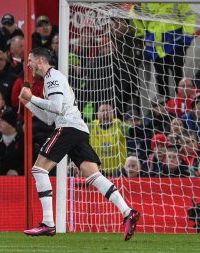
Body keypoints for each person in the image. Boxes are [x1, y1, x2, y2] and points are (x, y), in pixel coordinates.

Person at [19, 47, 139, 240]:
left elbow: (57, 108)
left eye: (31, 60)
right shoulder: (50, 81)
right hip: (77, 128)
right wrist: (29, 103)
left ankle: (48, 223)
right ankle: (127, 212)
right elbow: (50, 118)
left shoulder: (52, 76)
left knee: (39, 170)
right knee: (93, 176)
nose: (29, 64)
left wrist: (32, 97)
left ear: (40, 61)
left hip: (68, 128)